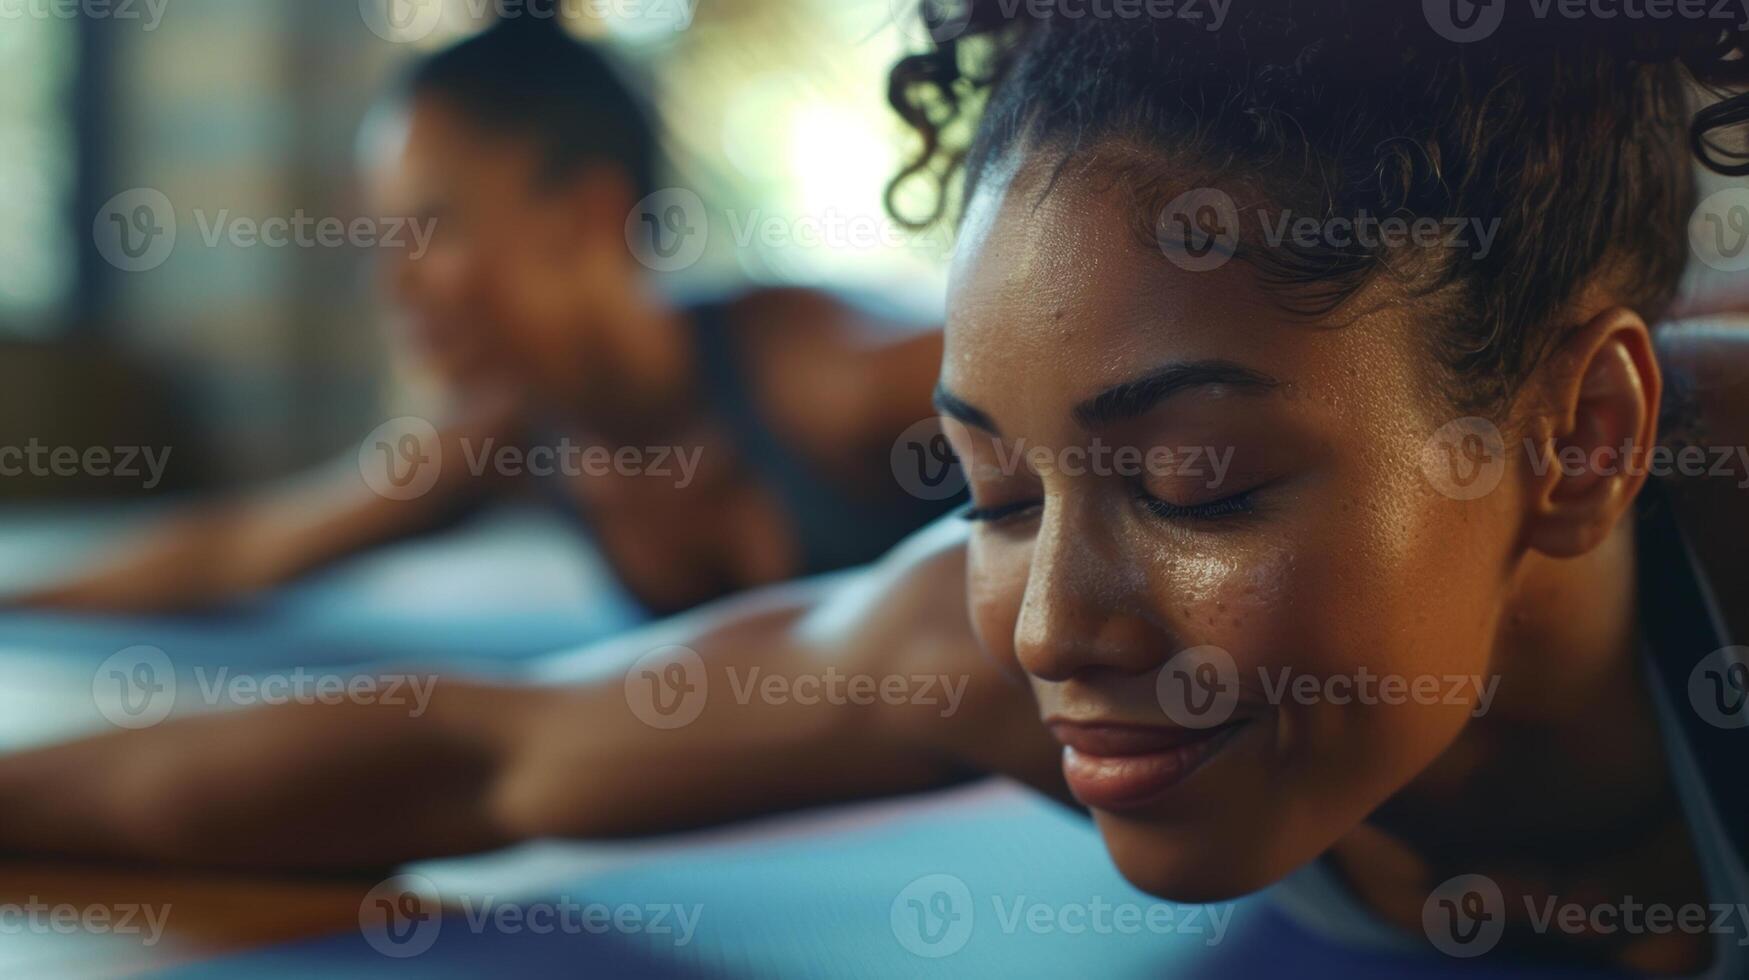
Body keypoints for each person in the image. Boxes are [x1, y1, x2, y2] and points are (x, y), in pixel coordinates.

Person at [4, 6, 1748, 973]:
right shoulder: (973, 641)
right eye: (987, 489)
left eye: (1198, 481)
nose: (1051, 623)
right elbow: (481, 750)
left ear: (1580, 440)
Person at [15, 16, 952, 617]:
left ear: (582, 213)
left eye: (430, 226)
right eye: (383, 242)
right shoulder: (511, 432)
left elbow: (1076, 391)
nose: (397, 285)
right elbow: (250, 546)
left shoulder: (830, 377)